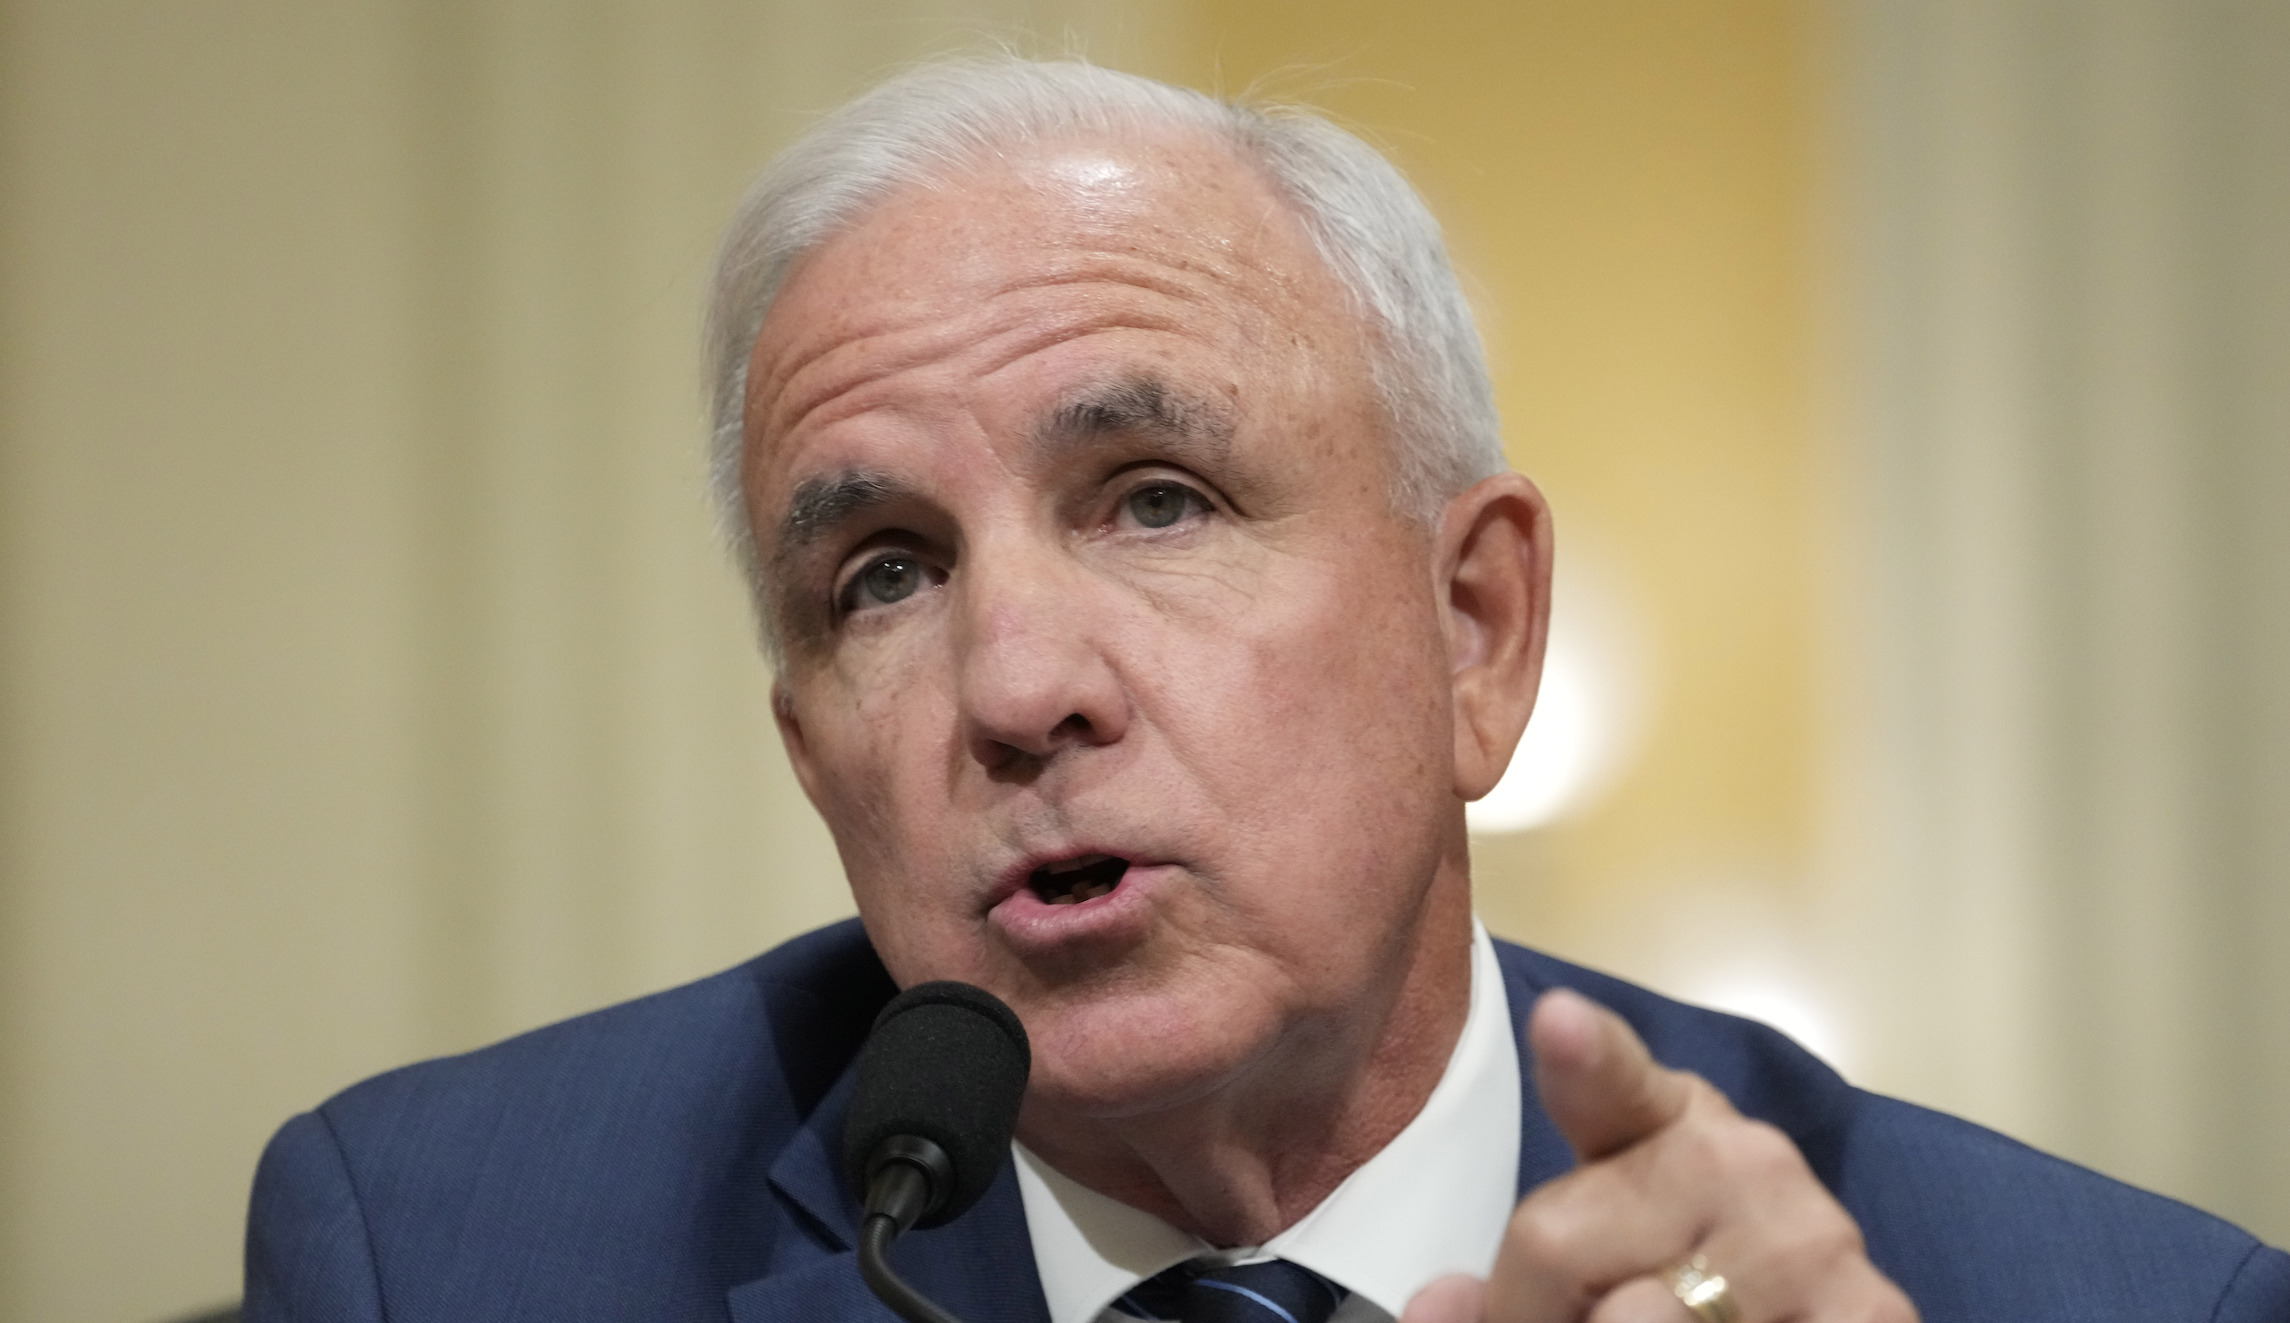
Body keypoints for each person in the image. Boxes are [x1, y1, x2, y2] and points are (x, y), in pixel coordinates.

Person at [243, 58, 2289, 1323]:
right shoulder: (438, 1257)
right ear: (811, 760)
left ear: (1474, 631)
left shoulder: (2106, 1300)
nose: (1014, 687)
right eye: (884, 574)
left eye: (1155, 498)